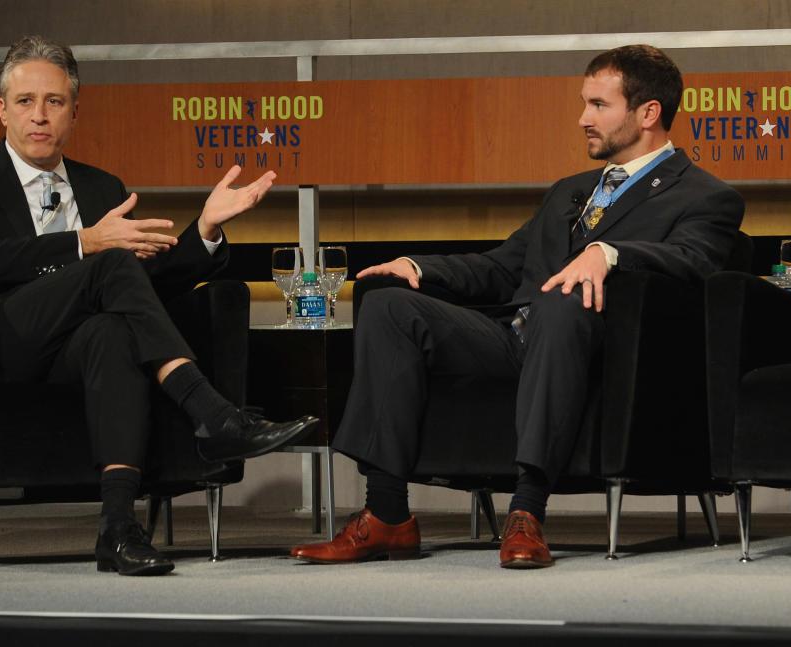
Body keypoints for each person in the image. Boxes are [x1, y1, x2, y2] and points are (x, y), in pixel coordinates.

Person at [290, 44, 744, 568]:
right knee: (391, 308)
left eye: (598, 105)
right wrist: (422, 268)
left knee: (562, 300)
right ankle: (387, 514)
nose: (582, 119)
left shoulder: (705, 196)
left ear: (648, 114)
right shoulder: (570, 191)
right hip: (516, 336)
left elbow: (696, 261)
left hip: (602, 351)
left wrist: (609, 253)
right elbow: (505, 266)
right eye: (584, 103)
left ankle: (527, 512)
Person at [0, 35, 318, 576]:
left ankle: (118, 529)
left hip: (80, 345)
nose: (40, 116)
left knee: (114, 331)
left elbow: (139, 283)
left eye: (55, 102)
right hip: (4, 339)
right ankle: (212, 413)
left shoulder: (100, 185)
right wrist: (85, 243)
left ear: (74, 112)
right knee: (108, 266)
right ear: (2, 110)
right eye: (25, 101)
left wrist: (203, 229)